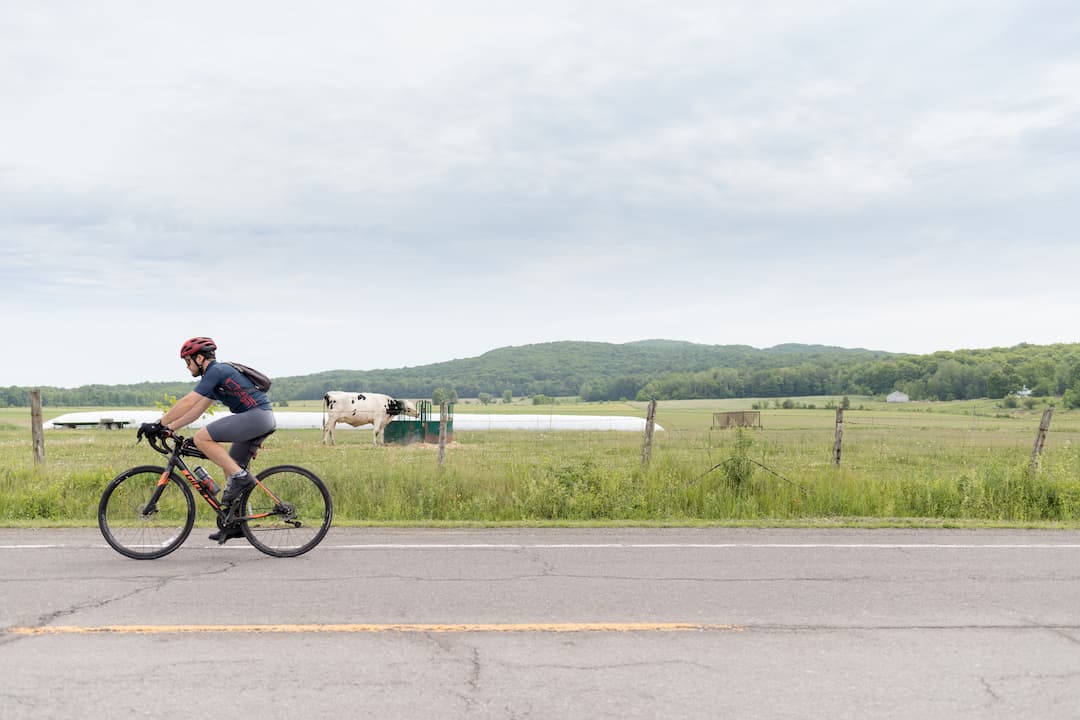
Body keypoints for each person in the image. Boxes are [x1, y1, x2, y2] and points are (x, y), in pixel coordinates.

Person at [138, 337, 276, 541]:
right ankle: (236, 522)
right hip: (258, 419)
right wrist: (168, 428)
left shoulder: (216, 371)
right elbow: (195, 411)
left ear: (200, 358)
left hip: (257, 416)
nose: (187, 367)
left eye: (188, 362)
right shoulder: (216, 379)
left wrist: (158, 423)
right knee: (231, 467)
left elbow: (188, 402)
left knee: (202, 438)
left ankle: (242, 478)